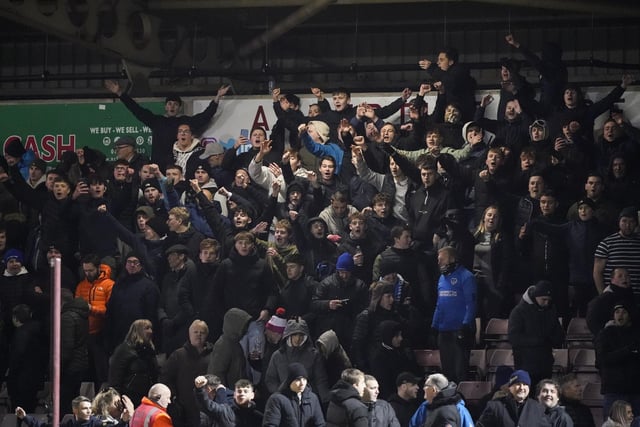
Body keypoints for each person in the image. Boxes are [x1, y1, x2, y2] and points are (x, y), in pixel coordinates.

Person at [104, 80, 230, 171]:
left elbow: (205, 116)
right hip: (157, 166)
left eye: (175, 104)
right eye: (169, 103)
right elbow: (136, 109)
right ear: (165, 106)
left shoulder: (185, 122)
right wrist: (121, 93)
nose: (172, 106)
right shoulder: (156, 121)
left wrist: (217, 97)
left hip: (177, 167)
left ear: (179, 107)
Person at [431, 246, 477, 383]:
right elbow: (439, 304)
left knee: (459, 371)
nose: (439, 262)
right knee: (447, 372)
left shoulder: (467, 277)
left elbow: (472, 304)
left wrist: (465, 325)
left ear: (452, 259)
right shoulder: (442, 278)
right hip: (444, 331)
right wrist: (434, 326)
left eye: (441, 259)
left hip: (460, 332)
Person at [508, 280, 565, 387]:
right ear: (536, 296)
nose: (546, 303)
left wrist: (556, 338)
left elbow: (557, 332)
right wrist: (538, 340)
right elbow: (513, 337)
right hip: (525, 365)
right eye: (544, 299)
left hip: (545, 364)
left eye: (549, 300)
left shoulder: (551, 310)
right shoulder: (519, 311)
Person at [160, 320, 214, 427]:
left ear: (206, 335)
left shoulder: (214, 354)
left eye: (202, 332)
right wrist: (174, 398)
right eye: (195, 332)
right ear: (189, 334)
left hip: (208, 409)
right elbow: (164, 378)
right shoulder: (178, 355)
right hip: (184, 410)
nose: (199, 334)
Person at [105, 252, 160, 353]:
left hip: (139, 336)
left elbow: (151, 314)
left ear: (141, 264)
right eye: (129, 262)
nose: (132, 265)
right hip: (119, 335)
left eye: (135, 262)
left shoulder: (149, 286)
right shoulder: (119, 284)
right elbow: (111, 309)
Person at [75, 254, 114, 387]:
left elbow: (110, 311)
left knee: (101, 372)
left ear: (98, 268)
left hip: (101, 333)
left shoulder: (109, 285)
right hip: (85, 333)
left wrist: (91, 309)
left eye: (90, 270)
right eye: (85, 271)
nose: (88, 273)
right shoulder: (81, 285)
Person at [595, 303, 640, 418]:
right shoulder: (605, 334)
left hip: (635, 390)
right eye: (617, 312)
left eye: (624, 312)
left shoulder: (636, 334)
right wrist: (628, 351)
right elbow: (602, 359)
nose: (620, 315)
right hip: (613, 390)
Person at [593, 207, 640, 302]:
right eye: (624, 221)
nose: (627, 225)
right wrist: (603, 296)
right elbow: (597, 272)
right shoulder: (607, 243)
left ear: (636, 224)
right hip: (613, 296)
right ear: (619, 222)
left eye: (631, 222)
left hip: (636, 297)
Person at [109, 319, 159, 406]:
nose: (151, 331)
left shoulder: (149, 351)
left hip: (146, 398)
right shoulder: (124, 350)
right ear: (138, 330)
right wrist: (117, 398)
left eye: (151, 328)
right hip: (129, 398)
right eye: (147, 328)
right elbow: (115, 376)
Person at [476, 369, 550, 427]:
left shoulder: (537, 408)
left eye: (525, 384)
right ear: (510, 387)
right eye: (518, 384)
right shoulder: (495, 406)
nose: (522, 388)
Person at [262, 363, 325, 427]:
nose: (302, 383)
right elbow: (270, 424)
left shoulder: (312, 398)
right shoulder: (277, 399)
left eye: (304, 379)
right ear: (290, 381)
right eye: (298, 380)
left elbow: (320, 424)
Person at [194, 377, 264, 427]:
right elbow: (207, 405)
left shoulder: (258, 417)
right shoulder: (225, 410)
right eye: (239, 391)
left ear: (252, 395)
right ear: (234, 395)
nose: (242, 393)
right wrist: (200, 389)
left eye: (245, 391)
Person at [409, 373, 473, 427]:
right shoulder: (425, 406)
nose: (424, 397)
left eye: (425, 390)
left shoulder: (459, 409)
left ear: (433, 390)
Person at [16, 396, 101, 427]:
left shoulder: (97, 423)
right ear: (75, 410)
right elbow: (42, 426)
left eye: (90, 408)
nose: (89, 411)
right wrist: (25, 417)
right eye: (85, 408)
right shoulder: (70, 424)